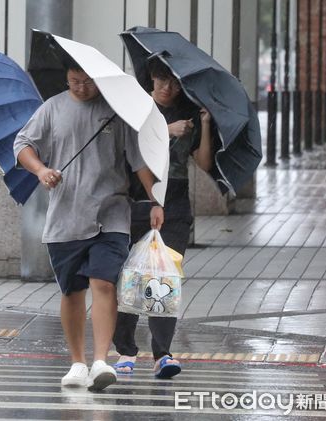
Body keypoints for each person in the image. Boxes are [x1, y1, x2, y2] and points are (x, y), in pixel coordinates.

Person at [14, 62, 160, 391]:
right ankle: (78, 362)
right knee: (71, 291)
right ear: (66, 79)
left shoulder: (115, 112)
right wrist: (40, 170)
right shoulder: (52, 108)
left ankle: (100, 361)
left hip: (111, 213)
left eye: (88, 82)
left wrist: (156, 200)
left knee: (104, 283)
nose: (81, 88)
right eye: (74, 81)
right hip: (65, 216)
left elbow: (138, 161)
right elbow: (22, 145)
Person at [112, 59, 213, 378]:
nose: (168, 87)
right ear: (150, 79)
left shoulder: (191, 114)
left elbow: (205, 163)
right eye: (161, 79)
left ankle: (163, 354)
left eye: (174, 81)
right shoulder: (135, 109)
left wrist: (205, 124)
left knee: (164, 279)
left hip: (176, 205)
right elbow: (127, 151)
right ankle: (125, 350)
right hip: (136, 203)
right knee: (131, 278)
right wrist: (166, 131)